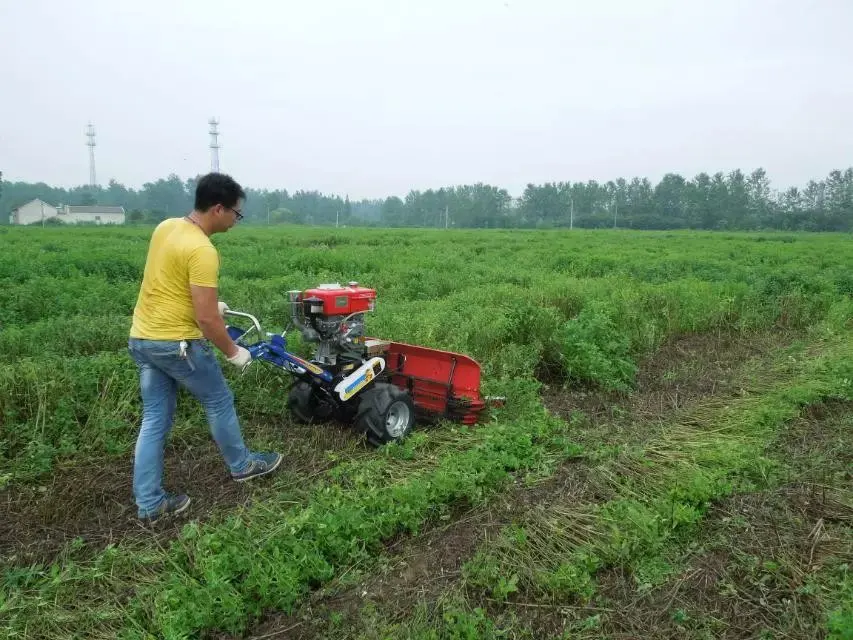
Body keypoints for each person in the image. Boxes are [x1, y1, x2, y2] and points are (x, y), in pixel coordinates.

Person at [128, 172, 282, 523]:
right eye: (236, 214)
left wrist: (214, 304)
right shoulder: (202, 250)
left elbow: (167, 281)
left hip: (143, 339)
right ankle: (243, 466)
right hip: (178, 345)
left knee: (154, 420)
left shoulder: (166, 227)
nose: (235, 221)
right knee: (218, 399)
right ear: (217, 209)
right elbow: (207, 322)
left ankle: (150, 503)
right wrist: (233, 352)